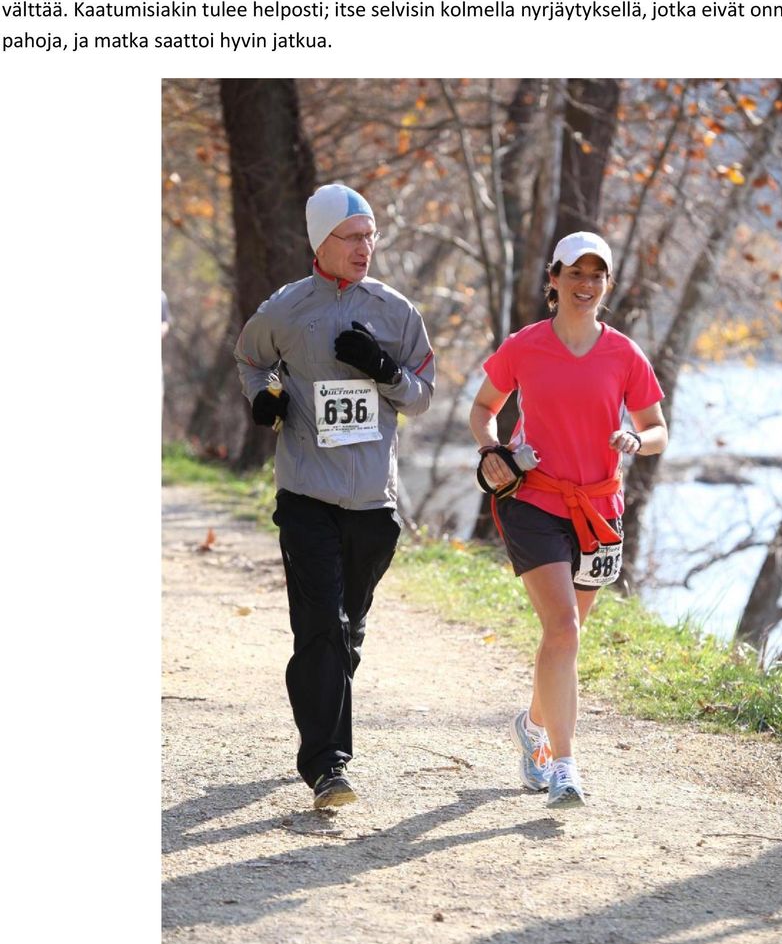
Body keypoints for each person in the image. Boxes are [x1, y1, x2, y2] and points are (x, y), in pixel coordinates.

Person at [234, 183, 435, 809]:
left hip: (374, 502)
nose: (365, 247)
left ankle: (324, 697)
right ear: (321, 242)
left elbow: (423, 395)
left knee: (343, 632)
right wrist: (265, 397)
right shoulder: (286, 310)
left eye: (370, 235)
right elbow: (250, 360)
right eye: (352, 237)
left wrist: (385, 371)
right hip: (306, 494)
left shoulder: (395, 311)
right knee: (320, 624)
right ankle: (328, 766)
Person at [468, 231, 668, 809]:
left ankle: (533, 726)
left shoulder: (624, 354)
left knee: (567, 638)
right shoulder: (525, 346)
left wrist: (636, 438)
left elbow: (658, 429)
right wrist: (491, 450)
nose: (586, 285)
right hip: (533, 500)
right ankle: (564, 765)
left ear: (607, 284)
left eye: (596, 275)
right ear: (552, 280)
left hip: (599, 508)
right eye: (574, 274)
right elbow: (484, 409)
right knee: (562, 629)